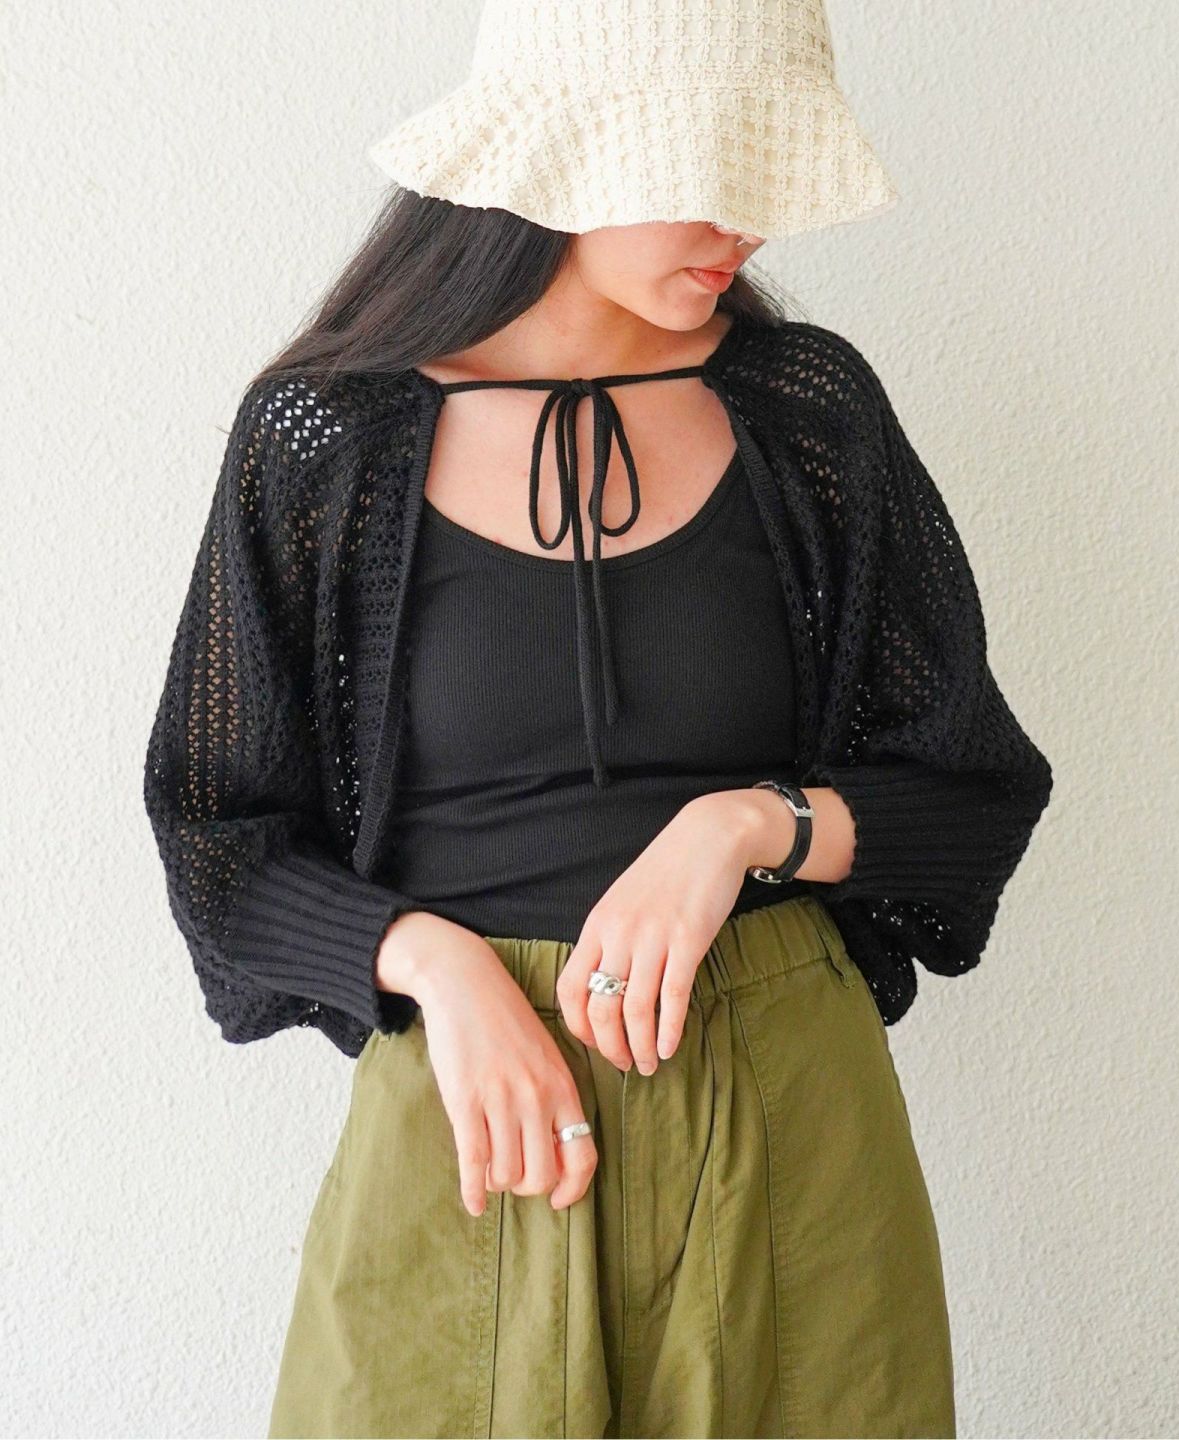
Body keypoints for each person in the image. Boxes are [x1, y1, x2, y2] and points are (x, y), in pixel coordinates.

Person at [142, 2, 1053, 1436]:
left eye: (766, 166)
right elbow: (217, 839)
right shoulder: (328, 437)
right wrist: (431, 963)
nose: (746, 219)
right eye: (707, 164)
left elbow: (973, 793)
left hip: (791, 1129)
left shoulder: (807, 416)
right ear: (567, 146)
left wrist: (747, 827)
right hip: (468, 1131)